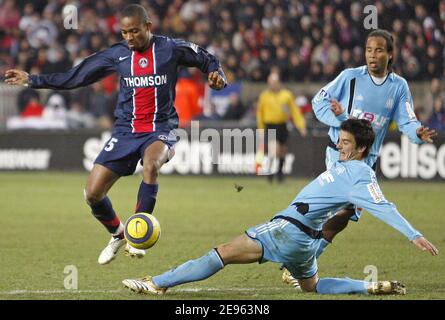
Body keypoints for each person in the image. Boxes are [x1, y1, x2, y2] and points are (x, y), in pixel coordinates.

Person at [4, 4, 226, 265]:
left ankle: (137, 235)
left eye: (134, 31)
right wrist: (33, 80)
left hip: (160, 128)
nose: (130, 37)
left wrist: (217, 73)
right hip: (125, 132)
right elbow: (75, 77)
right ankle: (118, 233)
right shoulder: (117, 55)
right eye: (124, 32)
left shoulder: (170, 48)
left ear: (147, 27)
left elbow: (206, 58)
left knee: (151, 165)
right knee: (92, 194)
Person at [122, 119, 438, 296]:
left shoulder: (359, 175)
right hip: (304, 244)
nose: (339, 144)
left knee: (220, 253)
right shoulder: (347, 166)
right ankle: (369, 285)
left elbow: (384, 206)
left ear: (362, 148)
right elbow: (332, 130)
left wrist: (413, 234)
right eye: (339, 140)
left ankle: (157, 283)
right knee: (312, 287)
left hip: (287, 229)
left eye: (344, 142)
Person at [282, 29, 437, 286]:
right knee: (337, 209)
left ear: (390, 54)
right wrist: (342, 122)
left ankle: (301, 261)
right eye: (368, 50)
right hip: (340, 154)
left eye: (378, 50)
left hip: (367, 161)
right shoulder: (350, 78)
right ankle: (299, 264)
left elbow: (408, 121)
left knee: (343, 216)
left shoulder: (398, 87)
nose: (372, 55)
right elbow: (318, 101)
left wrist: (417, 133)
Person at [256, 71, 307, 182]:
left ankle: (279, 173)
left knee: (283, 150)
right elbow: (260, 114)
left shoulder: (286, 95)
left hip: (282, 125)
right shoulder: (264, 96)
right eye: (271, 82)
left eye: (275, 82)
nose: (273, 84)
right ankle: (270, 171)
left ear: (279, 83)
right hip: (270, 125)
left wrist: (301, 126)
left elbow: (295, 111)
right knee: (274, 149)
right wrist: (260, 129)